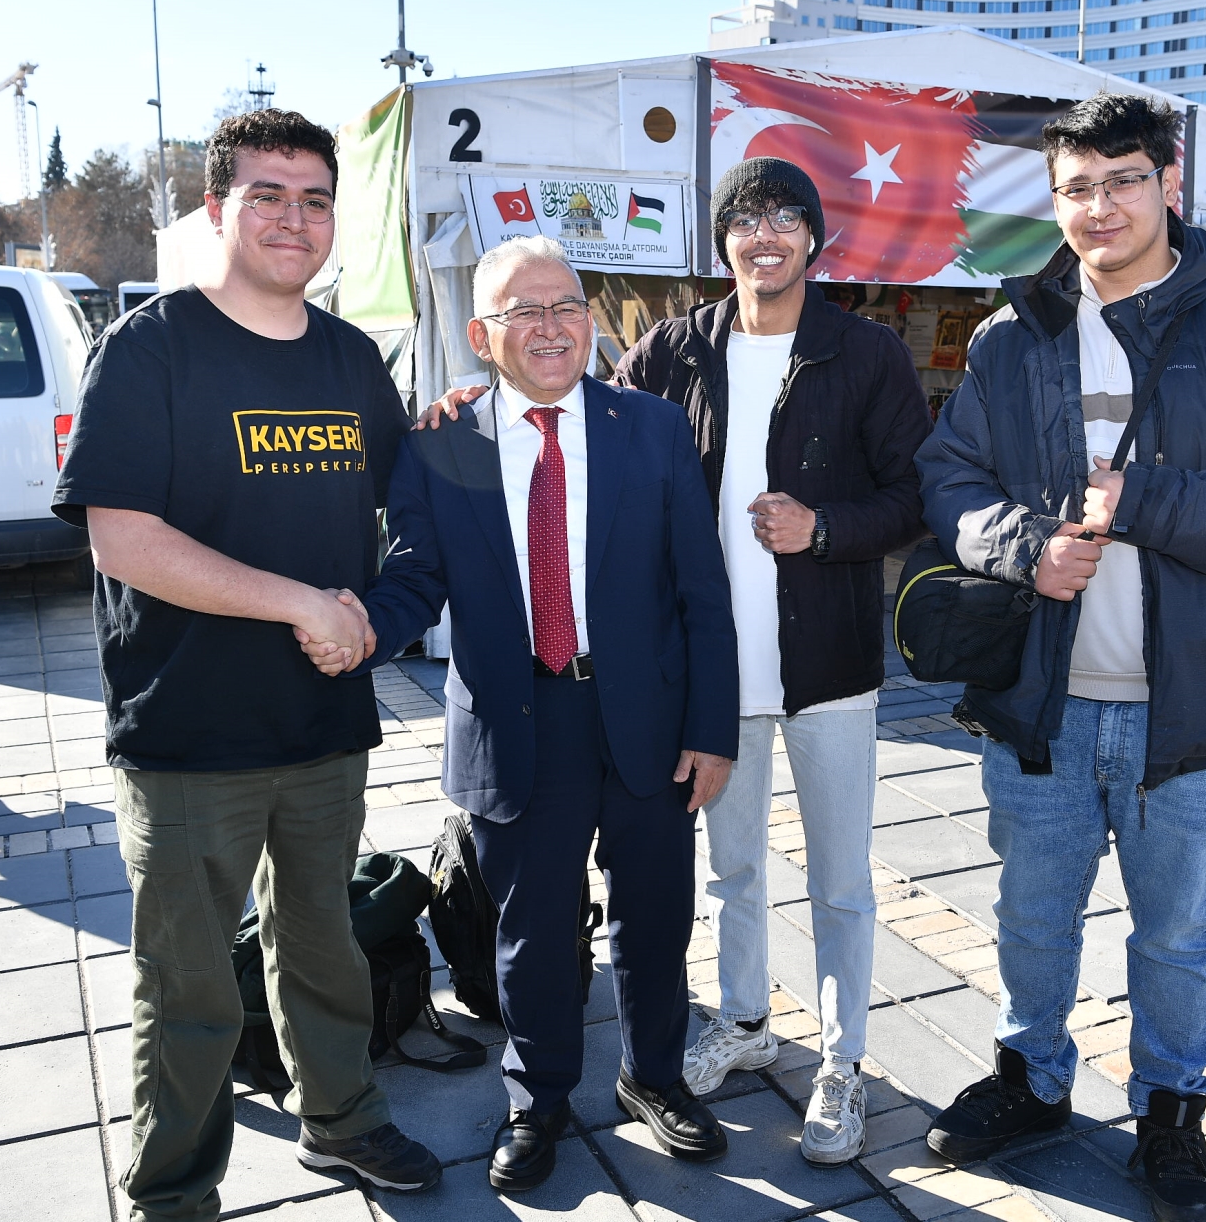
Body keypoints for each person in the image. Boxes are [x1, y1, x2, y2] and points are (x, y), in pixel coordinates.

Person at [915, 93, 1206, 1222]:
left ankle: (1170, 1109)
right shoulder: (1013, 339)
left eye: (1122, 180)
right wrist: (1024, 547)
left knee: (1177, 933)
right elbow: (950, 480)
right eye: (1077, 187)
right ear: (1052, 198)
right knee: (1030, 915)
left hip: (1191, 705)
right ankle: (1032, 1076)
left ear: (1169, 184)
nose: (1098, 206)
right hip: (1039, 699)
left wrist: (1143, 499)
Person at [50, 110, 440, 1220]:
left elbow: (409, 504)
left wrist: (461, 427)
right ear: (218, 209)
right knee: (186, 988)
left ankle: (343, 1117)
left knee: (324, 946)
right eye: (267, 194)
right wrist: (301, 603)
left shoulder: (350, 358)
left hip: (323, 722)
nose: (293, 218)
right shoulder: (151, 348)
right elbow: (124, 541)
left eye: (315, 199)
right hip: (189, 730)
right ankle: (175, 1190)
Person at [329, 236, 739, 1193]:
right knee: (534, 931)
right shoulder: (441, 445)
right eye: (525, 311)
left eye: (567, 307)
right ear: (482, 335)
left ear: (590, 323)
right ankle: (538, 1099)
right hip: (517, 724)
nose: (551, 328)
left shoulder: (651, 428)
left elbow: (701, 589)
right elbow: (415, 578)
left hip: (647, 719)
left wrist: (711, 729)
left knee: (656, 919)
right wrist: (355, 631)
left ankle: (655, 1076)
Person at [614, 156, 931, 1165]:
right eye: (746, 217)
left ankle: (842, 1060)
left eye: (786, 215)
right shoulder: (672, 351)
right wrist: (477, 400)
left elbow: (915, 497)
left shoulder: (865, 353)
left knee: (840, 879)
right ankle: (745, 1019)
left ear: (812, 237)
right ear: (723, 240)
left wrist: (823, 528)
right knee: (731, 867)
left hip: (829, 664)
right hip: (710, 671)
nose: (766, 234)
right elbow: (591, 435)